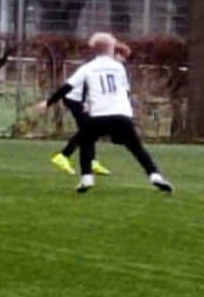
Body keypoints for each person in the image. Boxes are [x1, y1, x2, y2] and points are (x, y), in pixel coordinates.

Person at [43, 32, 172, 194]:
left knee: (86, 141)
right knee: (136, 147)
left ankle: (87, 177)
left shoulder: (88, 68)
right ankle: (154, 175)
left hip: (99, 114)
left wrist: (48, 103)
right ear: (111, 49)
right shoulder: (119, 67)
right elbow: (126, 92)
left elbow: (67, 87)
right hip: (121, 114)